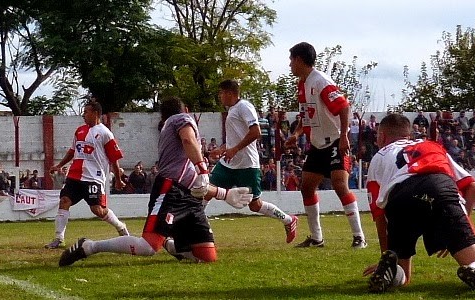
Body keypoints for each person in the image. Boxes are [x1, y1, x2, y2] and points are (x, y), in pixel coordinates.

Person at [58, 97, 253, 266]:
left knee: (207, 256)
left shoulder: (171, 134)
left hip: (187, 197)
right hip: (170, 190)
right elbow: (188, 142)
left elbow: (194, 183)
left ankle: (169, 243)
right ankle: (90, 246)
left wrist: (224, 194)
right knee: (147, 247)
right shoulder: (181, 119)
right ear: (184, 111)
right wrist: (203, 168)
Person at [363, 113, 475, 296]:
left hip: (400, 196)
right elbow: (472, 188)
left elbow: (379, 215)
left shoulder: (379, 156)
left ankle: (392, 272)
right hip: (438, 187)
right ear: (408, 134)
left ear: (382, 136)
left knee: (404, 276)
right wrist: (457, 227)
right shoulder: (431, 146)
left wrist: (387, 255)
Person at [285, 42, 367, 248]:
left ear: (299, 59)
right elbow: (307, 116)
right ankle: (316, 238)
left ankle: (359, 236)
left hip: (335, 142)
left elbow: (344, 107)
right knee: (307, 187)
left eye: (291, 60)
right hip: (317, 144)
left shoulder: (320, 81)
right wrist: (296, 134)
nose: (289, 65)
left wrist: (344, 137)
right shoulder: (302, 85)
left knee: (340, 185)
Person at [207, 79, 298, 244]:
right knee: (206, 191)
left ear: (229, 93)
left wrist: (235, 149)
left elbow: (255, 132)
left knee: (254, 205)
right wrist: (223, 149)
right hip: (228, 164)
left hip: (247, 165)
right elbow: (236, 136)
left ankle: (288, 220)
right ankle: (200, 233)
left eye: (221, 93)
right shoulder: (233, 109)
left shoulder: (244, 107)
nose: (220, 96)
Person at [45, 101, 130, 249]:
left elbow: (114, 159)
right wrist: (59, 165)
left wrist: (117, 179)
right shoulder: (79, 131)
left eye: (86, 112)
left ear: (95, 113)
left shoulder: (105, 133)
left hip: (93, 177)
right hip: (75, 175)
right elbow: (73, 151)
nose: (83, 115)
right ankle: (59, 238)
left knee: (97, 210)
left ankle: (120, 226)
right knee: (64, 200)